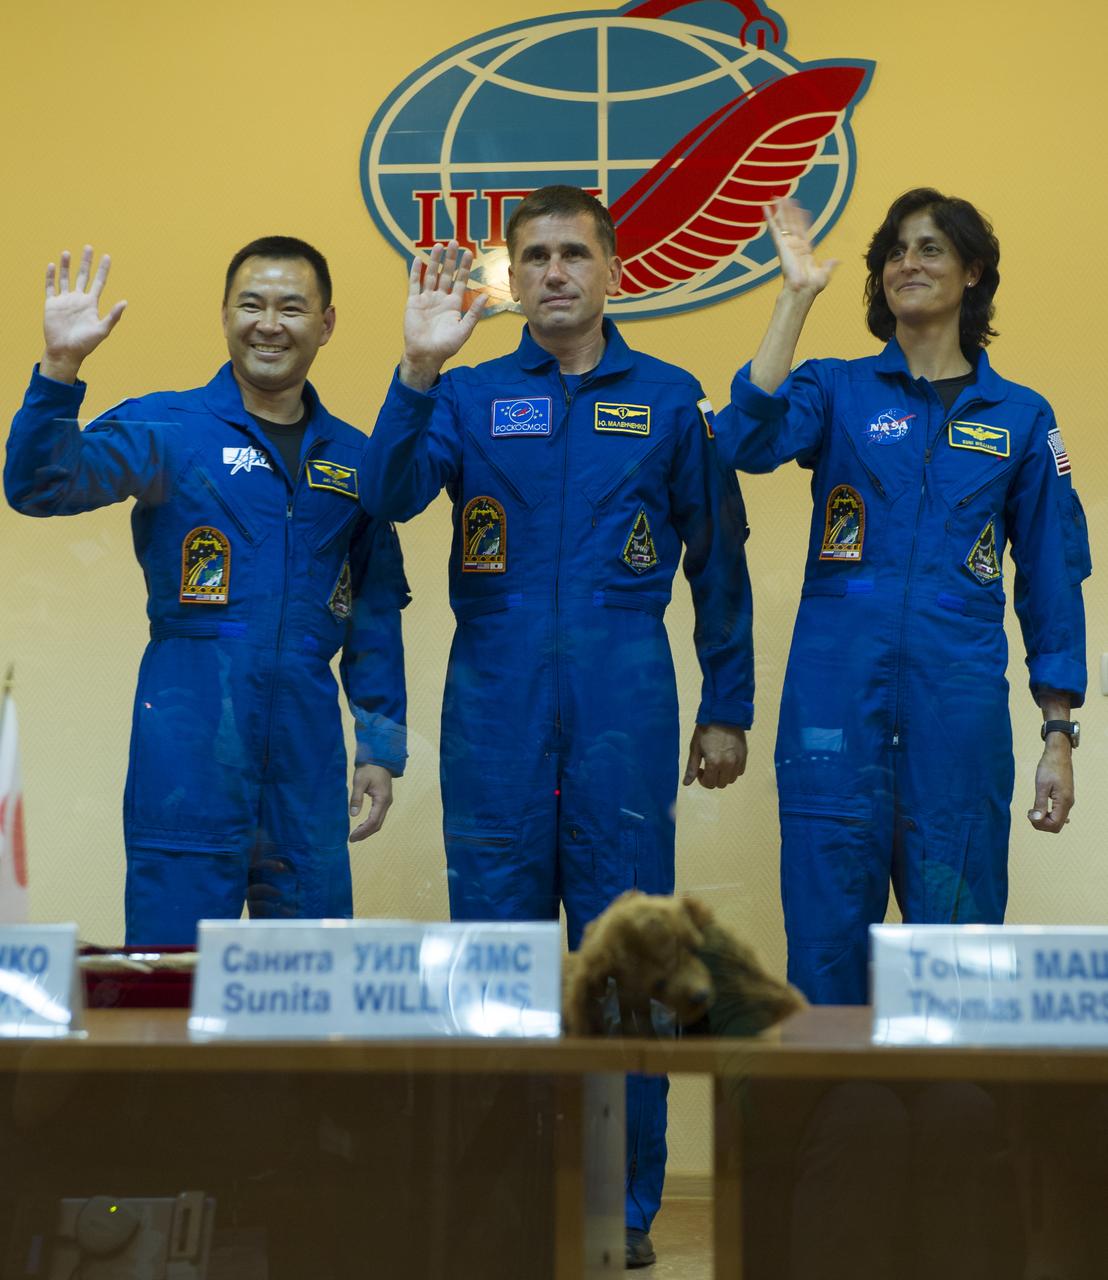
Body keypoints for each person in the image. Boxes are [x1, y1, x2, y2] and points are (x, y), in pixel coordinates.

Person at [360, 185, 755, 1266]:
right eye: (531, 256)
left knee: (626, 959)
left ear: (613, 268)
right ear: (513, 278)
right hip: (494, 700)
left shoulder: (672, 400)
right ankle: (500, 1204)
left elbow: (719, 564)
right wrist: (418, 369)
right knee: (497, 958)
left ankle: (621, 1210)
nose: (553, 273)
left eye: (573, 253)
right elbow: (388, 495)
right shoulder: (471, 394)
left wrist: (727, 705)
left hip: (625, 699)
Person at [714, 189, 1090, 1005]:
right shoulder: (837, 388)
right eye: (894, 253)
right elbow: (743, 440)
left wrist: (1058, 733)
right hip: (833, 709)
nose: (906, 265)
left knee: (956, 964)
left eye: (929, 249)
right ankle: (828, 1132)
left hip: (956, 714)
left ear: (973, 272)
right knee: (823, 959)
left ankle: (954, 1134)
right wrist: (794, 297)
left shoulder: (1022, 418)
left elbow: (1054, 583)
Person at [4, 237, 409, 945]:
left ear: (327, 323)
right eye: (251, 304)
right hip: (187, 742)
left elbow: (373, 616)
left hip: (305, 758)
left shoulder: (356, 459)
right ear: (224, 315)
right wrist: (60, 368)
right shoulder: (168, 429)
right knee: (171, 971)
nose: (269, 323)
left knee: (308, 980)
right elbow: (40, 486)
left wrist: (379, 746)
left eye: (291, 306)